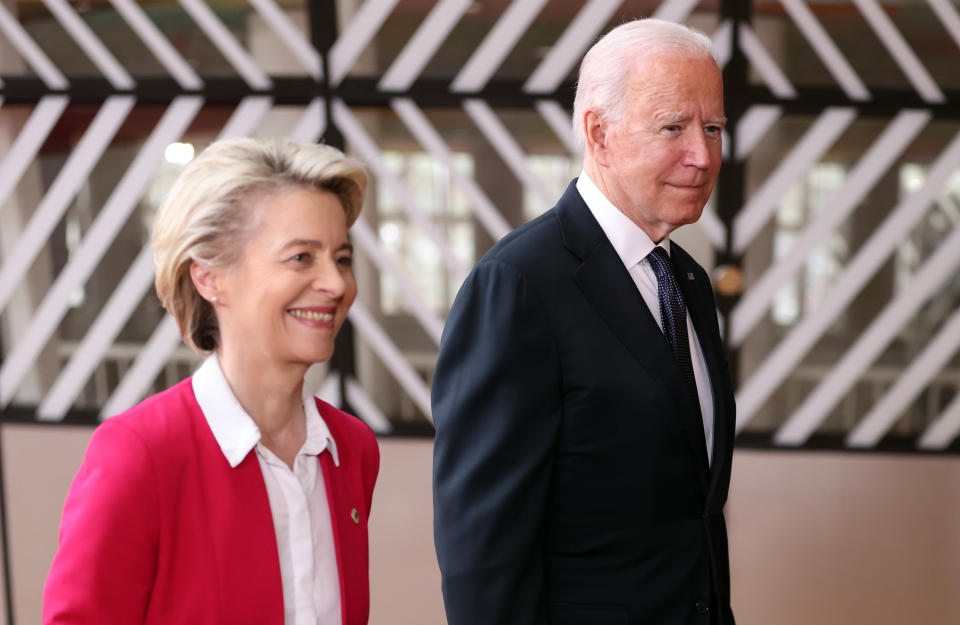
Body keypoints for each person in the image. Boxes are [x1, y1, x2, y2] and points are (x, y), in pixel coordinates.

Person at [432, 18, 735, 625]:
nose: (702, 155)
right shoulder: (518, 283)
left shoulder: (689, 283)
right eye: (673, 127)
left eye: (713, 128)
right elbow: (482, 549)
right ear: (599, 133)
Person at [42, 137, 379, 625]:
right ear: (210, 279)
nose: (336, 284)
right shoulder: (139, 455)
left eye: (342, 258)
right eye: (302, 258)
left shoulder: (354, 448)